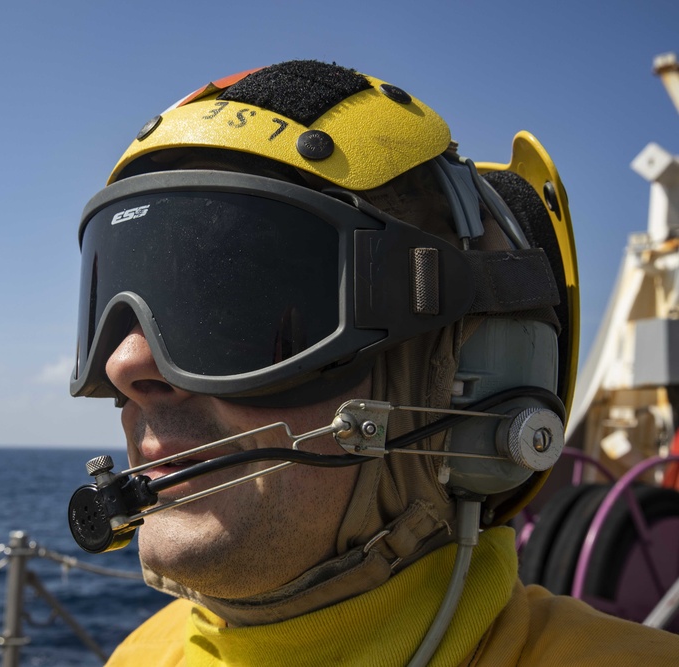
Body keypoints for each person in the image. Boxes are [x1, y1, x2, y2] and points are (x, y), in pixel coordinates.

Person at [66, 60, 679, 665]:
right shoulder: (141, 654)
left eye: (235, 310)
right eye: (116, 315)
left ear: (466, 385)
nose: (125, 363)